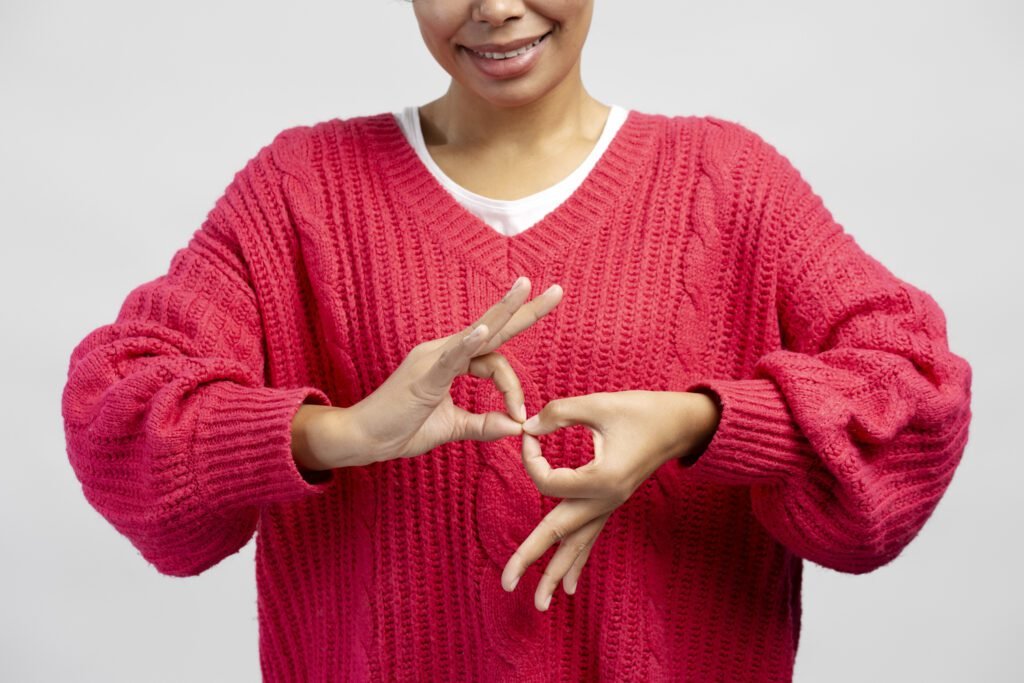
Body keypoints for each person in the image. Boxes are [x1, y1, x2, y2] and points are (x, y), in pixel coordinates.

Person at [60, 1, 973, 681]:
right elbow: (118, 411)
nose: (496, 7)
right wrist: (336, 433)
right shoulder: (301, 190)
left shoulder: (727, 182)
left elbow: (916, 394)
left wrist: (702, 422)